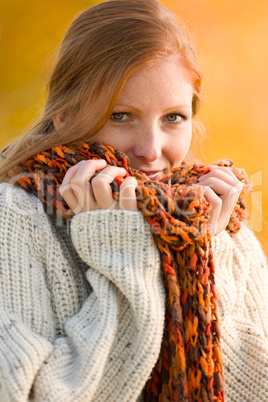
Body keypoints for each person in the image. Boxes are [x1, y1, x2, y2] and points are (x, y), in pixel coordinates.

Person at [0, 0, 267, 401]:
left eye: (173, 118)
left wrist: (207, 254)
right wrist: (118, 247)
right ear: (63, 114)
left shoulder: (218, 221)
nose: (150, 149)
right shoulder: (16, 218)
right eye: (121, 116)